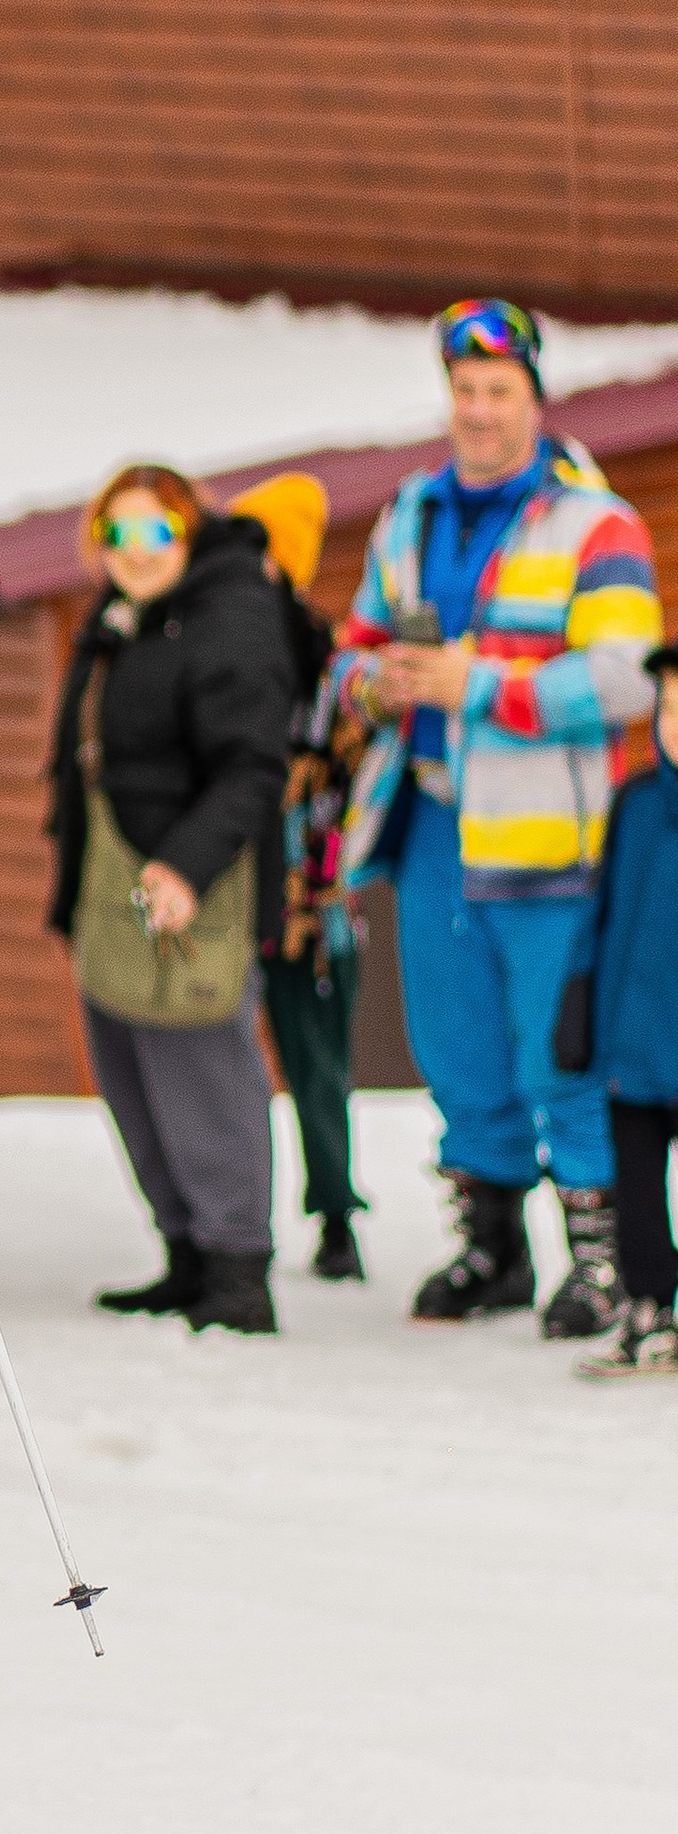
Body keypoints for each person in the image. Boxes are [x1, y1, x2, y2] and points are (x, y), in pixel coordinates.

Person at [336, 300, 661, 1337]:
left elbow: (624, 683)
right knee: (455, 1047)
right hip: (429, 822)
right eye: (464, 393)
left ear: (533, 395)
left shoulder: (593, 523)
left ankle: (603, 1256)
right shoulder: (410, 513)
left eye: (498, 392)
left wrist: (474, 685)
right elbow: (354, 646)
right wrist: (374, 684)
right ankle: (491, 1244)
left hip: (548, 840)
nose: (479, 412)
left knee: (558, 1050)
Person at [47, 466, 293, 1337]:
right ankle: (186, 1252)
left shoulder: (230, 614)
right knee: (128, 1065)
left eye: (152, 533)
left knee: (203, 1070)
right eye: (116, 535)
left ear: (187, 532)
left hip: (192, 879)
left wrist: (187, 866)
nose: (133, 553)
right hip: (114, 875)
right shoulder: (122, 618)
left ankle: (236, 1268)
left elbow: (254, 763)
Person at [230, 472, 366, 1284]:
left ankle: (332, 1214)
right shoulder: (308, 653)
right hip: (291, 896)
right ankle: (292, 1218)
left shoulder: (320, 659)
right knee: (300, 1064)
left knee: (312, 1064)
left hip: (304, 900)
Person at [576, 643, 678, 1379]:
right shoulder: (636, 803)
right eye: (670, 709)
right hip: (635, 1049)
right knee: (637, 1188)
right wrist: (581, 1014)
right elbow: (603, 917)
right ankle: (649, 1306)